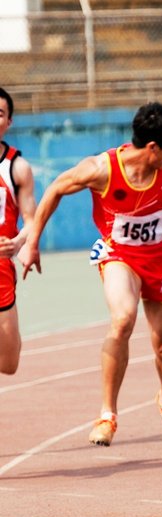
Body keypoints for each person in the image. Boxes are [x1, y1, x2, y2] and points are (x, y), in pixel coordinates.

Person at [18, 102, 162, 447]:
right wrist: (32, 242)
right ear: (153, 147)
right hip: (119, 255)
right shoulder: (101, 169)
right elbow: (54, 190)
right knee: (123, 319)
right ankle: (107, 414)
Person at [0, 87, 37, 376]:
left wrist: (18, 242)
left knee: (9, 363)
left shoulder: (17, 168)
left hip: (1, 268)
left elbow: (31, 220)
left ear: (8, 122)